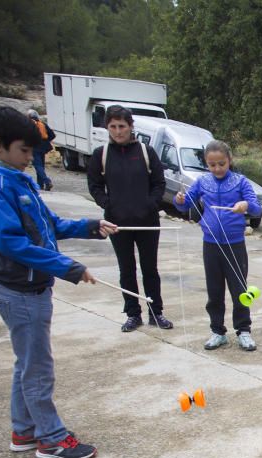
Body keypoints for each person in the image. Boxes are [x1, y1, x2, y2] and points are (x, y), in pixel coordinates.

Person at [0, 107, 118, 458]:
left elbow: (47, 225)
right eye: (25, 151)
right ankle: (51, 439)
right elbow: (12, 243)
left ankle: (23, 431)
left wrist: (88, 226)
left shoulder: (16, 179)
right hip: (18, 290)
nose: (30, 158)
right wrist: (67, 267)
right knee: (38, 367)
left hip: (31, 289)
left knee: (28, 362)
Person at [87, 105, 172, 332]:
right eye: (113, 127)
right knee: (127, 269)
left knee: (150, 269)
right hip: (117, 224)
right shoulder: (101, 155)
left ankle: (156, 312)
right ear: (107, 128)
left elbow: (159, 184)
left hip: (147, 222)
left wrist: (150, 204)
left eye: (122, 126)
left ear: (131, 126)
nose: (118, 131)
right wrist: (108, 204)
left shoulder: (146, 152)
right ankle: (133, 313)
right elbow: (94, 186)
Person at [174, 139, 262, 351]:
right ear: (206, 164)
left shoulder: (241, 182)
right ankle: (217, 331)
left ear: (229, 160)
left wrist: (246, 205)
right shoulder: (203, 182)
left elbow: (257, 208)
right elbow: (186, 204)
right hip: (211, 243)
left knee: (239, 288)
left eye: (221, 163)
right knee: (214, 290)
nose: (217, 168)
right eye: (212, 165)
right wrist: (180, 199)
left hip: (235, 244)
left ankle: (244, 330)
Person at [27, 109, 54, 191]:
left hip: (34, 147)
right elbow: (52, 135)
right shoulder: (42, 124)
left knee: (38, 166)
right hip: (43, 147)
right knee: (41, 166)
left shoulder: (29, 124)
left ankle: (46, 181)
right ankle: (40, 185)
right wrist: (46, 141)